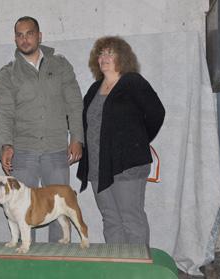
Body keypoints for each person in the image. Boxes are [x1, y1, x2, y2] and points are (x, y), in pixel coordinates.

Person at [0, 16, 84, 243]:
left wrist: (77, 138)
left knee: (60, 211)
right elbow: (4, 113)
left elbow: (74, 103)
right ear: (15, 39)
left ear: (39, 36)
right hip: (22, 152)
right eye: (20, 35)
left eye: (30, 33)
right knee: (21, 211)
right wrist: (6, 145)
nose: (25, 39)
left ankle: (59, 260)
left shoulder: (60, 65)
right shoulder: (7, 74)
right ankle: (28, 263)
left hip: (56, 149)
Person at [77, 36, 165, 245]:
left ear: (122, 58)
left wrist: (137, 141)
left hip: (128, 165)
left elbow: (156, 113)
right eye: (101, 53)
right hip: (99, 167)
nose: (104, 57)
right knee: (111, 220)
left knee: (131, 219)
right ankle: (117, 268)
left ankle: (138, 272)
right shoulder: (94, 89)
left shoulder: (133, 82)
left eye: (110, 53)